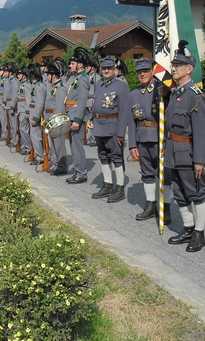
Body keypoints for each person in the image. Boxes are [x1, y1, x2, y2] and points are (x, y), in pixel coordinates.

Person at [164, 40, 205, 252]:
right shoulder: (175, 93)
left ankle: (199, 234)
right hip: (173, 152)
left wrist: (199, 160)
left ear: (189, 69)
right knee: (179, 192)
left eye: (178, 65)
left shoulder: (194, 95)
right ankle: (188, 228)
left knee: (196, 192)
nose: (173, 68)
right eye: (173, 65)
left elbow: (203, 130)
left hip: (188, 152)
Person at [127, 58, 172, 222]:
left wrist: (166, 95)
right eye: (139, 72)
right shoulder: (134, 94)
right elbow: (131, 122)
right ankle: (151, 204)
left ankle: (166, 208)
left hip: (160, 138)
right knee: (147, 173)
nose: (142, 74)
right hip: (141, 138)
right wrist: (132, 144)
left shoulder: (161, 91)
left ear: (152, 72)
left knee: (165, 175)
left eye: (146, 71)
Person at [89, 55, 131, 203]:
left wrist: (120, 133)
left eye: (109, 68)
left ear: (114, 69)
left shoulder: (121, 86)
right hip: (99, 126)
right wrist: (91, 119)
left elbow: (125, 111)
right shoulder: (99, 84)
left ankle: (119, 188)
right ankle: (107, 184)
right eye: (104, 68)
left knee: (116, 157)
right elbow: (95, 104)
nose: (106, 70)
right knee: (103, 155)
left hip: (112, 126)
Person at [64, 48, 91, 184]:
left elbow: (82, 101)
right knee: (73, 146)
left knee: (77, 146)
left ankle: (81, 173)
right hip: (71, 114)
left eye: (73, 63)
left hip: (76, 116)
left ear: (80, 64)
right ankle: (77, 171)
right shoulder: (75, 78)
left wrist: (77, 120)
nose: (71, 65)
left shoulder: (83, 79)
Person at [43, 61, 69, 175]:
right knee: (53, 143)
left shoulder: (60, 88)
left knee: (59, 144)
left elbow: (60, 107)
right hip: (50, 118)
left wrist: (58, 123)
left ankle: (61, 166)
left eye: (48, 74)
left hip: (55, 119)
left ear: (53, 75)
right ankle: (55, 164)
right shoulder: (54, 87)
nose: (47, 77)